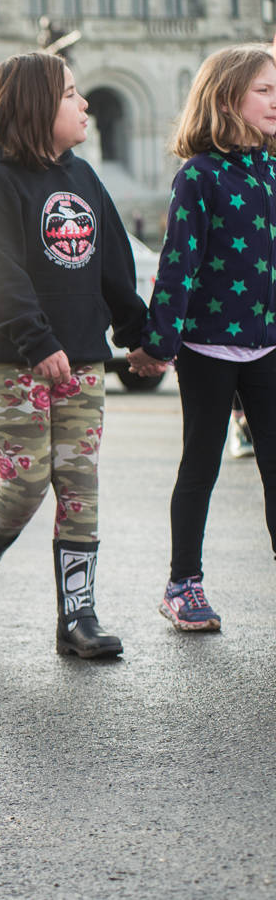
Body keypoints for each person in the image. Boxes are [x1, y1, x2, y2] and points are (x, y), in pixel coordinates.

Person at [0, 52, 149, 659]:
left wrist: (140, 335)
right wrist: (37, 342)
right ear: (36, 107)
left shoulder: (83, 176)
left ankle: (78, 617)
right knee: (27, 480)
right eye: (70, 94)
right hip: (12, 361)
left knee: (79, 484)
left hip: (82, 361)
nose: (85, 103)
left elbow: (114, 263)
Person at [128, 43, 276, 631]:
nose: (275, 101)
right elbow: (178, 264)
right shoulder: (199, 175)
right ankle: (182, 583)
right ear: (227, 98)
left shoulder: (271, 169)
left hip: (268, 345)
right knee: (202, 465)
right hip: (209, 348)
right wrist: (160, 343)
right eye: (264, 90)